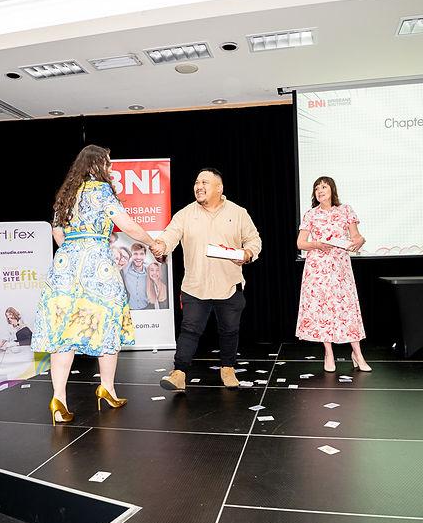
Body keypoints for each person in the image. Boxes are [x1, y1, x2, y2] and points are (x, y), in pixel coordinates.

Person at [32, 145, 157, 424]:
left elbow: (57, 232)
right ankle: (107, 388)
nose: (110, 169)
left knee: (63, 331)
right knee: (108, 323)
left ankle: (59, 399)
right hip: (97, 265)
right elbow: (127, 225)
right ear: (95, 165)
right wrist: (152, 242)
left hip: (64, 267)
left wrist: (73, 252)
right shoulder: (101, 191)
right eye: (108, 163)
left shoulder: (65, 194)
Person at [152, 168, 262, 391]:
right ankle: (179, 373)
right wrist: (161, 245)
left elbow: (254, 240)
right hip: (195, 286)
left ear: (219, 188)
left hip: (229, 285)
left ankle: (228, 369)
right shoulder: (185, 214)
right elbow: (170, 235)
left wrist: (248, 253)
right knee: (189, 330)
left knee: (229, 330)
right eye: (196, 182)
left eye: (205, 182)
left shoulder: (238, 213)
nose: (199, 186)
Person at [295, 176, 370, 373]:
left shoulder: (345, 210)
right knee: (323, 309)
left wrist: (359, 241)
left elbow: (356, 237)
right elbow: (300, 243)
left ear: (332, 190)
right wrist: (317, 244)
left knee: (347, 308)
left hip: (340, 267)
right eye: (317, 188)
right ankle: (328, 353)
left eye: (324, 187)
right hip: (317, 268)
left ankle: (357, 354)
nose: (320, 190)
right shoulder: (311, 214)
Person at [122, 242, 150, 310]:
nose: (138, 257)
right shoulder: (124, 269)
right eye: (135, 254)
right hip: (129, 310)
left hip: (147, 308)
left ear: (145, 256)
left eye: (141, 254)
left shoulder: (149, 271)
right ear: (131, 255)